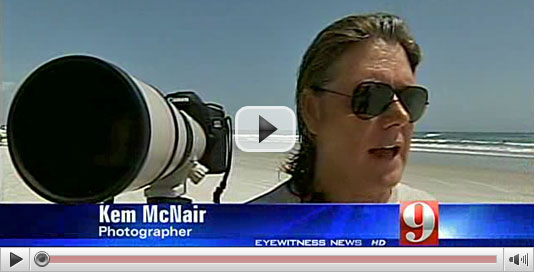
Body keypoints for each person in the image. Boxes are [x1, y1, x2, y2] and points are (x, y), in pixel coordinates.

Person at [249, 12, 434, 203]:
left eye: (411, 99)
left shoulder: (431, 220)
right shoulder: (250, 228)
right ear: (312, 111)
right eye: (370, 97)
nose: (400, 115)